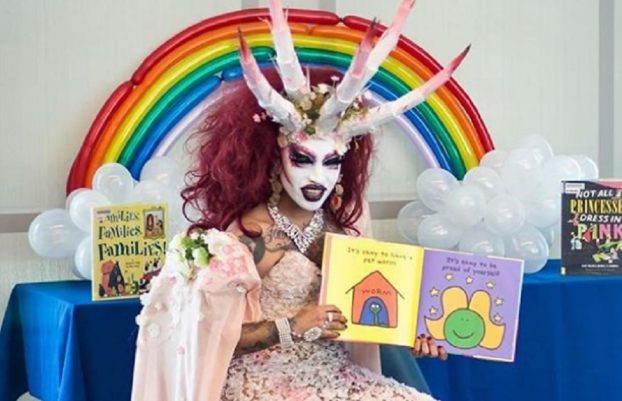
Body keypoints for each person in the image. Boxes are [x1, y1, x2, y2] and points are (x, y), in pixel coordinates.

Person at [132, 0, 469, 399]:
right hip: (263, 382)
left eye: (332, 162)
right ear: (275, 160)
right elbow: (205, 332)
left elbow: (370, 316)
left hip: (336, 375)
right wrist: (292, 325)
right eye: (303, 159)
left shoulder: (343, 233)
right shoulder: (245, 238)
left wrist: (416, 335)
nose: (317, 177)